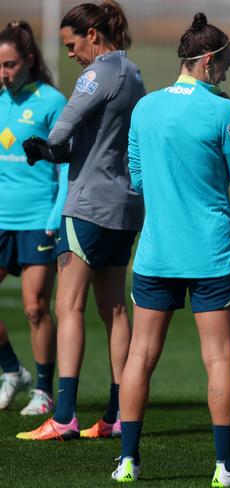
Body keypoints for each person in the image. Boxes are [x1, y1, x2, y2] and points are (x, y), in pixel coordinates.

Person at [110, 14, 230, 486]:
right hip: (211, 253)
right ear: (210, 60)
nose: (227, 75)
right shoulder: (224, 110)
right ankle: (224, 468)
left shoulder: (146, 108)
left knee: (140, 357)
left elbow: (136, 177)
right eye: (226, 66)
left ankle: (128, 462)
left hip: (155, 253)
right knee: (218, 360)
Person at [17, 0, 145, 441]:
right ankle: (116, 414)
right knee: (113, 308)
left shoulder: (98, 73)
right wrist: (59, 151)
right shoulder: (133, 73)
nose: (70, 54)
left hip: (88, 205)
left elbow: (63, 128)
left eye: (73, 44)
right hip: (126, 207)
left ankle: (65, 414)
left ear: (93, 34)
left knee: (66, 306)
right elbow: (100, 142)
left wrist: (44, 146)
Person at [0, 20, 67, 415]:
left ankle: (43, 391)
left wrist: (57, 213)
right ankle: (12, 370)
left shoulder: (51, 102)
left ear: (28, 60)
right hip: (2, 219)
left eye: (9, 65)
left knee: (35, 307)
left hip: (38, 219)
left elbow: (64, 165)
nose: (3, 73)